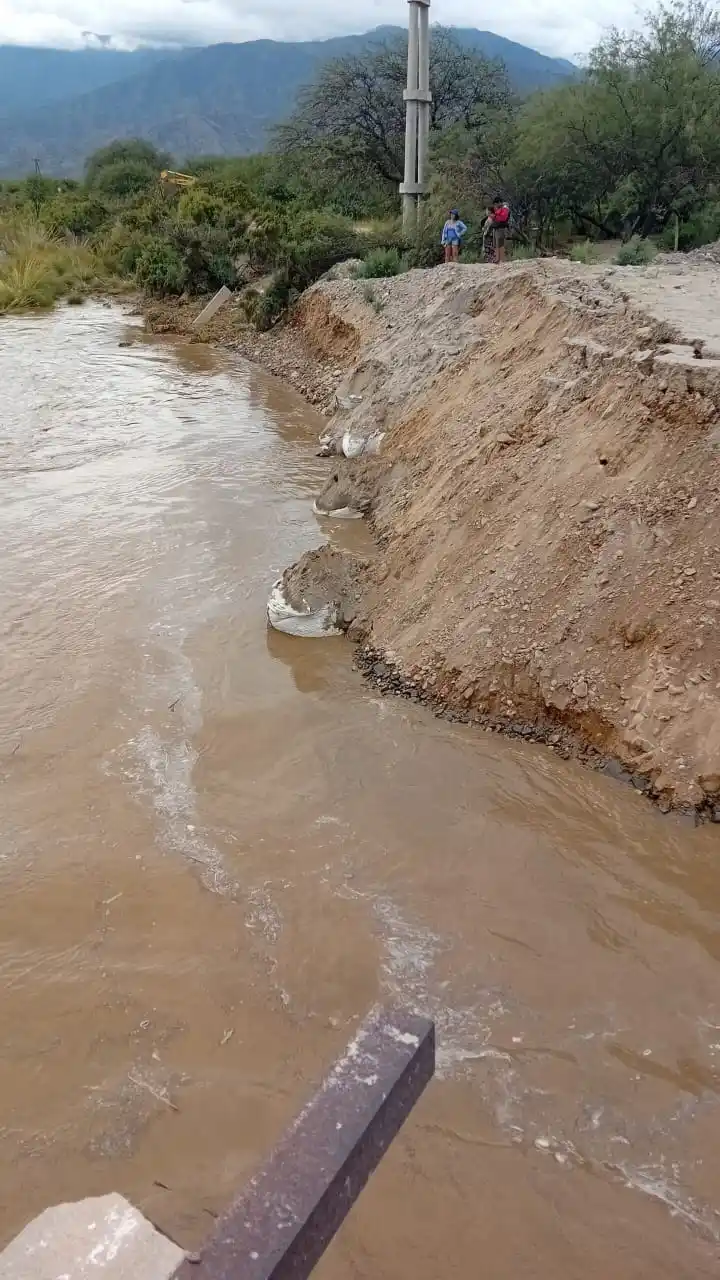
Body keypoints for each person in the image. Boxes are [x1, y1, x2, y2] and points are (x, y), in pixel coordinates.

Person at [488, 196, 510, 264]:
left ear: (499, 203)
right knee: (496, 244)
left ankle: (502, 259)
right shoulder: (499, 209)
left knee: (501, 244)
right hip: (496, 228)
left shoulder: (505, 208)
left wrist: (494, 216)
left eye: (496, 204)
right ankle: (497, 259)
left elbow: (503, 218)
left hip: (501, 228)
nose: (495, 206)